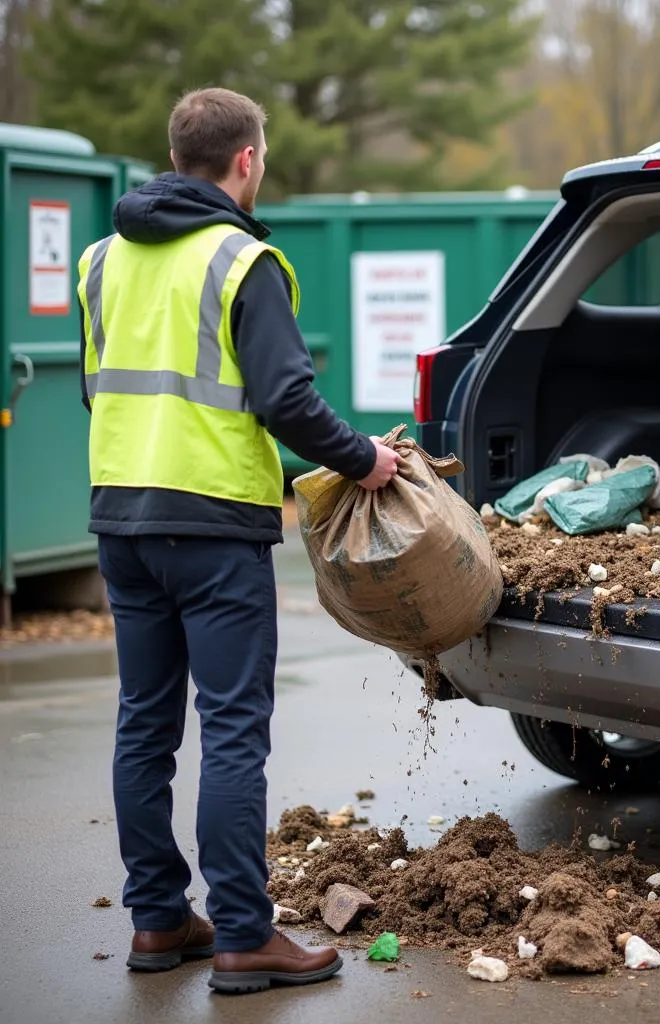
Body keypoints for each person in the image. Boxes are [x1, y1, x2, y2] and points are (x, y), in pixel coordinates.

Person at [77, 87, 400, 995]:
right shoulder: (242, 261)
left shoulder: (102, 260)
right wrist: (364, 459)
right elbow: (288, 401)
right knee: (231, 733)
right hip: (213, 526)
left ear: (177, 155)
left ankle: (157, 922)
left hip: (121, 519)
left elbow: (97, 388)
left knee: (145, 723)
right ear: (246, 159)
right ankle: (245, 939)